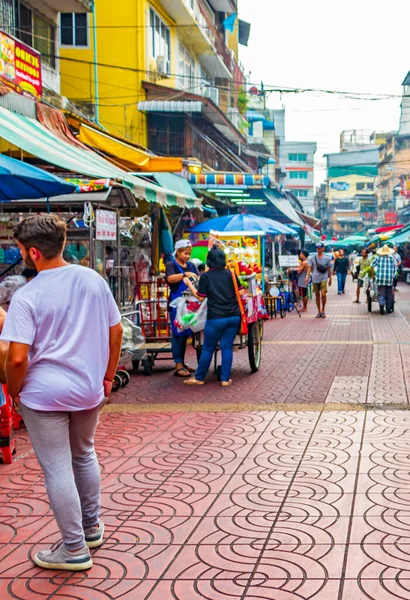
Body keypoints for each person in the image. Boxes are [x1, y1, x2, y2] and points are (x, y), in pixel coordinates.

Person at [0, 215, 123, 571]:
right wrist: (107, 378)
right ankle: (91, 527)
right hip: (88, 388)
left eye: (22, 250)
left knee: (57, 468)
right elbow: (115, 332)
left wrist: (15, 391)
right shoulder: (92, 280)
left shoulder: (27, 296)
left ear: (33, 252)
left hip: (44, 394)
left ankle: (73, 548)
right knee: (83, 454)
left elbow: (18, 357)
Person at [183, 246, 243, 387]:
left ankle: (199, 377)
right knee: (226, 347)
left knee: (208, 348)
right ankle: (225, 379)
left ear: (209, 261)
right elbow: (240, 293)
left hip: (215, 317)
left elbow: (201, 297)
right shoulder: (231, 274)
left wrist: (189, 285)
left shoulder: (206, 276)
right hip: (233, 316)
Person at [166, 240, 199, 378]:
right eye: (185, 253)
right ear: (178, 252)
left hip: (190, 305)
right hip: (177, 305)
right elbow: (170, 279)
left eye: (189, 254)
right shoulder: (171, 264)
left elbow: (198, 277)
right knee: (178, 334)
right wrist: (185, 275)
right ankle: (178, 364)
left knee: (186, 334)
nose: (187, 256)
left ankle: (183, 363)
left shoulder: (191, 265)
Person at [306, 242, 332, 318]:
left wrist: (330, 278)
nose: (318, 249)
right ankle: (319, 311)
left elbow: (329, 268)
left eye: (320, 248)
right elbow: (309, 268)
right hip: (315, 278)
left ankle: (323, 309)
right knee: (317, 295)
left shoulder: (327, 258)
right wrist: (307, 276)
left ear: (323, 248)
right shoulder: (312, 258)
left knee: (323, 293)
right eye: (317, 248)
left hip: (324, 277)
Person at [372, 244, 396, 314]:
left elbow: (372, 266)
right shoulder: (392, 259)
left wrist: (373, 275)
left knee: (381, 293)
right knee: (389, 294)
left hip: (380, 279)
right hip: (389, 279)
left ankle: (381, 306)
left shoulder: (378, 258)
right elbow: (395, 270)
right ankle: (388, 309)